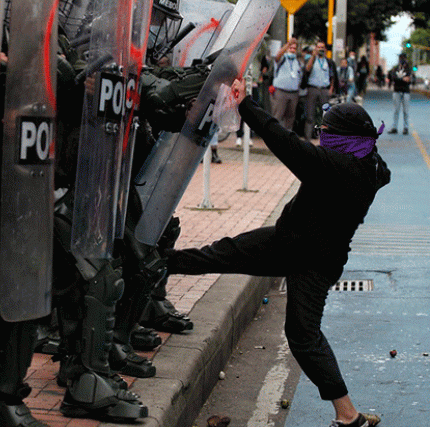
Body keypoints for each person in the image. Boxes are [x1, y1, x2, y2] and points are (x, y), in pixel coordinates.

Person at [164, 78, 390, 427]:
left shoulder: (339, 167)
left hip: (311, 262)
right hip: (295, 245)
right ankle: (162, 265)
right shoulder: (369, 163)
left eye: (327, 132)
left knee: (303, 336)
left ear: (345, 139)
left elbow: (285, 143)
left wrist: (246, 104)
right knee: (223, 253)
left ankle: (349, 416)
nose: (321, 136)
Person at [270, 37, 303, 131]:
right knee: (277, 116)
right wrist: (288, 44)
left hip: (293, 93)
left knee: (290, 118)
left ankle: (287, 140)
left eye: (294, 48)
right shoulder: (282, 59)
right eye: (290, 48)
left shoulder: (298, 62)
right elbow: (277, 56)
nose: (292, 50)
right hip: (281, 92)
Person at [303, 41, 334, 140]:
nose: (320, 49)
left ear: (325, 49)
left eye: (322, 47)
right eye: (318, 47)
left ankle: (325, 139)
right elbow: (307, 69)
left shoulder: (328, 61)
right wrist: (313, 55)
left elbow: (332, 76)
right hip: (312, 89)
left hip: (324, 90)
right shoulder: (310, 59)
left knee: (325, 116)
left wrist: (331, 89)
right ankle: (308, 140)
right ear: (315, 48)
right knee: (310, 116)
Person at [388, 52, 413, 135]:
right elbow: (393, 78)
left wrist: (402, 79)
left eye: (402, 58)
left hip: (406, 92)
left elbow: (410, 79)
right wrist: (403, 79)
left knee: (406, 111)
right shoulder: (395, 68)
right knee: (396, 110)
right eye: (400, 58)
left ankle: (406, 128)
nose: (401, 60)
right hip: (397, 91)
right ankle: (394, 127)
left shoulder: (408, 69)